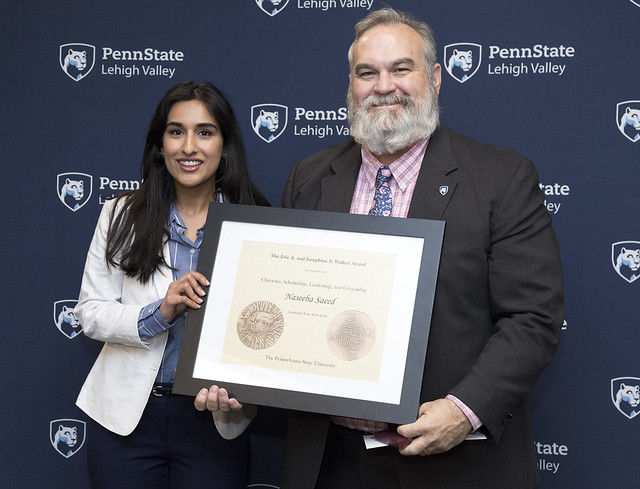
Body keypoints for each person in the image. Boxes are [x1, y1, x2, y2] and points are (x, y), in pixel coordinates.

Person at [277, 8, 563, 489]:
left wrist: (463, 410)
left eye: (400, 68)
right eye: (367, 72)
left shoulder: (501, 177)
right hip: (331, 461)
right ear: (350, 86)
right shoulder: (309, 177)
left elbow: (533, 318)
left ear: (434, 77)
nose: (383, 85)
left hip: (452, 463)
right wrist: (242, 380)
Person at [75, 81, 268, 489]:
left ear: (225, 144)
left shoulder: (256, 222)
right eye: (176, 131)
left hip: (214, 420)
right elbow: (90, 314)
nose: (189, 147)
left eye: (205, 132)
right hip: (125, 418)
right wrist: (158, 313)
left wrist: (242, 387)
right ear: (160, 144)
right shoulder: (120, 214)